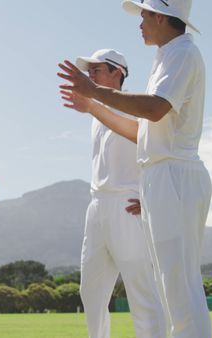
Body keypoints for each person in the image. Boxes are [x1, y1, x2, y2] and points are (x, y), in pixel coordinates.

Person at [58, 0, 212, 337]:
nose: (140, 22)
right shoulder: (168, 56)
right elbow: (142, 133)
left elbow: (155, 109)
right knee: (173, 291)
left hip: (174, 174)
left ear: (160, 16)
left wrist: (94, 92)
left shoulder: (184, 52)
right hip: (161, 176)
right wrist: (93, 104)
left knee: (181, 292)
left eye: (144, 15)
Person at [68, 49, 165, 338]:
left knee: (141, 292)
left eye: (96, 70)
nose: (90, 76)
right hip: (97, 207)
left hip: (127, 206)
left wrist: (147, 198)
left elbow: (144, 139)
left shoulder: (134, 105)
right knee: (91, 292)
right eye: (89, 71)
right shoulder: (96, 115)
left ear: (117, 72)